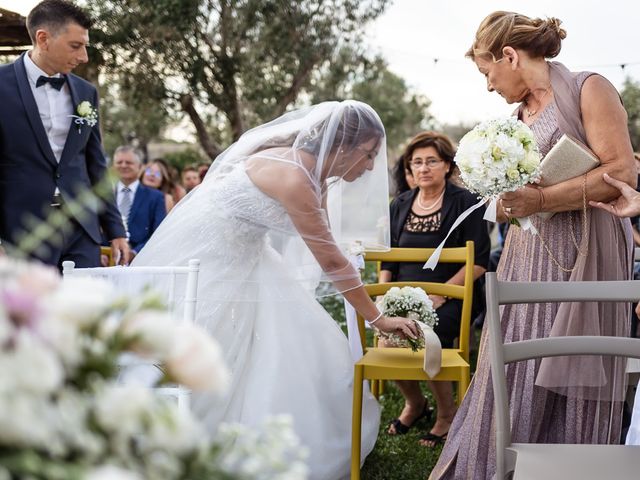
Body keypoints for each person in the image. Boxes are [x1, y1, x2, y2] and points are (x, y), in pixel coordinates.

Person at [132, 100, 419, 480]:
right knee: (209, 342)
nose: (369, 167)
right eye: (367, 155)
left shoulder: (311, 173)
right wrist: (379, 319)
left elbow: (328, 244)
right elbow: (332, 262)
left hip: (250, 256)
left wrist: (348, 266)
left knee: (289, 339)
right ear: (343, 146)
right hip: (210, 260)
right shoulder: (296, 178)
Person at [430, 12, 635, 480]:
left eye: (487, 73)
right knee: (515, 363)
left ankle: (573, 469)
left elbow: (621, 173)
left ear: (508, 55)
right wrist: (501, 202)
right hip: (527, 257)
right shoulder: (515, 119)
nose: (488, 86)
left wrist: (538, 198)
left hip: (591, 254)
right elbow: (515, 204)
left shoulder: (589, 88)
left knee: (575, 363)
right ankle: (499, 466)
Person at [379, 131, 490, 447]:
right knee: (388, 343)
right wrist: (384, 295)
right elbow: (389, 257)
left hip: (452, 295)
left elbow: (479, 261)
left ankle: (447, 413)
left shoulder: (466, 203)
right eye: (417, 162)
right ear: (410, 169)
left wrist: (442, 294)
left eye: (431, 161)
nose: (423, 168)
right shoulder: (399, 204)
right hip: (403, 297)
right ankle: (416, 403)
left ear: (446, 166)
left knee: (428, 338)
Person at [0, 0, 129, 267]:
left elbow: (95, 165)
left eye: (85, 46)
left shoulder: (86, 92)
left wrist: (116, 230)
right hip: (22, 231)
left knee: (84, 308)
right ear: (43, 39)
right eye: (75, 46)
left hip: (82, 230)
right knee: (33, 309)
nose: (83, 57)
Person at [112, 146, 166, 257]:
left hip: (140, 261)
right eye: (119, 162)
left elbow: (159, 233)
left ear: (140, 167)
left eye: (128, 162)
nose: (123, 165)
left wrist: (134, 253)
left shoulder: (155, 197)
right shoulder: (103, 195)